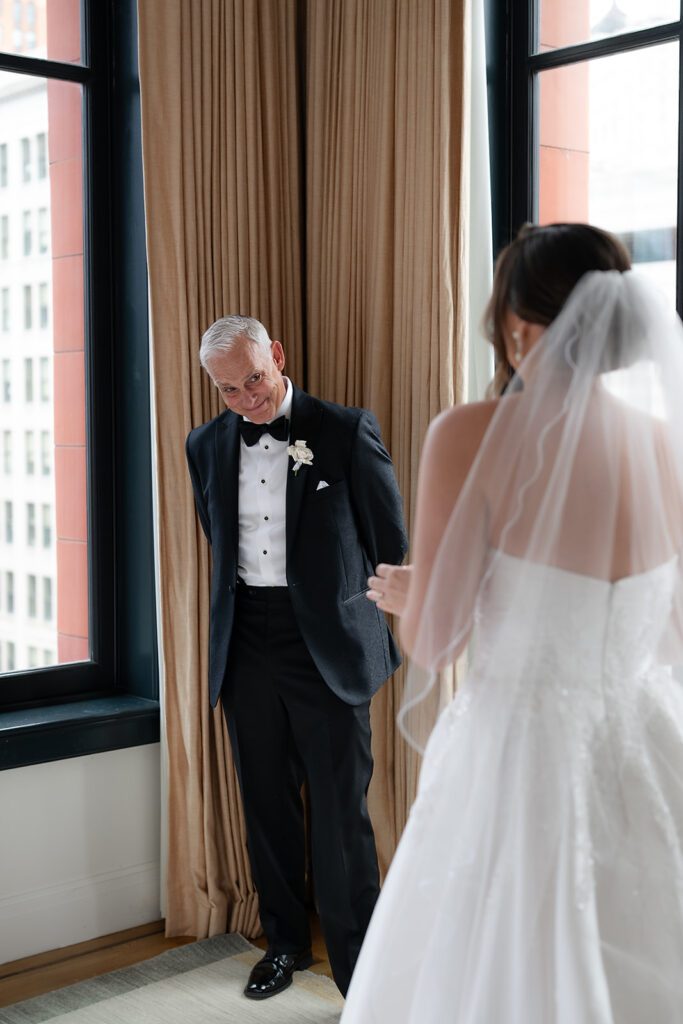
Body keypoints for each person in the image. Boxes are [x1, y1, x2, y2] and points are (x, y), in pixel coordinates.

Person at [341, 223, 683, 1023]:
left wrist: (407, 597)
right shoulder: (666, 446)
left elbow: (436, 641)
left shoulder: (470, 435)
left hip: (519, 752)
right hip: (644, 742)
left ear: (519, 326)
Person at [185, 315, 407, 1001]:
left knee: (341, 814)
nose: (247, 398)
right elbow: (218, 537)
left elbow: (391, 548)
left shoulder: (342, 430)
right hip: (245, 637)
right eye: (229, 390)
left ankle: (358, 971)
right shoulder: (204, 444)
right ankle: (284, 946)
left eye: (254, 378)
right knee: (265, 804)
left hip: (328, 645)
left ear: (276, 356)